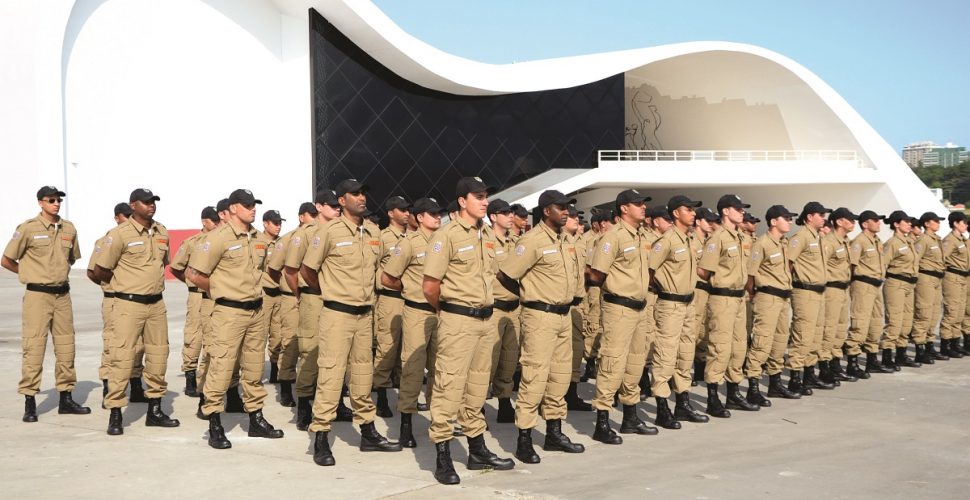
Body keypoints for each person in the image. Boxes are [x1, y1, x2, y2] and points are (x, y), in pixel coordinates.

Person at [302, 178, 402, 466]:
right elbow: (309, 270)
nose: (361, 198)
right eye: (355, 194)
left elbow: (381, 269)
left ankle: (368, 432)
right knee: (331, 376)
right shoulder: (329, 232)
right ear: (341, 200)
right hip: (336, 314)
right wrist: (330, 292)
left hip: (365, 315)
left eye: (363, 194)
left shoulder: (372, 231)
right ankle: (320, 438)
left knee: (362, 376)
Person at [424, 177, 514, 485]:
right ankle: (443, 456)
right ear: (462, 201)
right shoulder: (445, 235)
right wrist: (447, 310)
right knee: (448, 388)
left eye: (486, 195)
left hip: (485, 321)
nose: (485, 201)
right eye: (478, 196)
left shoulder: (486, 234)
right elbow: (430, 285)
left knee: (477, 388)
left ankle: (477, 451)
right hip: (457, 321)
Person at [188, 189, 284, 449]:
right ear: (232, 209)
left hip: (255, 311)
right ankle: (214, 423)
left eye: (254, 204)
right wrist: (221, 290)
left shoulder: (256, 238)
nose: (252, 209)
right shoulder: (219, 237)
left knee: (253, 369)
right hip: (229, 312)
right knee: (221, 367)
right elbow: (194, 273)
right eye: (247, 205)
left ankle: (256, 418)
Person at [497, 190, 586, 464]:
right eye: (561, 207)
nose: (567, 212)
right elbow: (507, 275)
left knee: (559, 377)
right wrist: (530, 292)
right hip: (540, 316)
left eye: (567, 207)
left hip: (563, 316)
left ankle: (553, 433)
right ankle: (524, 438)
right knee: (534, 377)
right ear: (547, 210)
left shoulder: (566, 240)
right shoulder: (532, 240)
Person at [94, 188, 178, 435]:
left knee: (158, 356)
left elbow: (163, 264)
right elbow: (100, 271)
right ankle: (116, 413)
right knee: (121, 358)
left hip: (156, 304)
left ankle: (155, 410)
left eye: (153, 202)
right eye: (146, 202)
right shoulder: (119, 234)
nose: (151, 205)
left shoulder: (161, 231)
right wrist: (125, 285)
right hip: (128, 305)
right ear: (133, 205)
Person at [2, 185, 89, 422]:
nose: (56, 203)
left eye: (59, 199)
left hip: (62, 295)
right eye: (51, 200)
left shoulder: (69, 228)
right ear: (40, 202)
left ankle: (66, 397)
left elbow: (70, 259)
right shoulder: (28, 229)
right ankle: (30, 400)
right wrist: (29, 274)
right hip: (37, 297)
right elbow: (7, 259)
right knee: (34, 347)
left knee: (66, 346)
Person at [587, 189, 658, 442]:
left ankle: (630, 416)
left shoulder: (641, 237)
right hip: (618, 308)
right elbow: (597, 275)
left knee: (635, 363)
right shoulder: (612, 237)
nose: (643, 207)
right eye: (638, 204)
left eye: (643, 203)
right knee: (612, 362)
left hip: (639, 307)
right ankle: (602, 421)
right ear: (624, 209)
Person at [381, 197, 446, 447]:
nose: (437, 217)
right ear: (419, 217)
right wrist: (410, 287)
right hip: (417, 312)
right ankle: (406, 425)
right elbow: (388, 278)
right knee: (413, 369)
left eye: (438, 213)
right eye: (432, 214)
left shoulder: (444, 240)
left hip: (441, 313)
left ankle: (439, 423)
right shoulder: (407, 244)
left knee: (440, 369)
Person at [284, 189, 349, 430]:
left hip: (337, 301)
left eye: (338, 206)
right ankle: (303, 405)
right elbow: (291, 270)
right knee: (310, 352)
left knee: (339, 352)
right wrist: (302, 293)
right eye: (331, 206)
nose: (337, 209)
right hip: (314, 298)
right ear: (318, 207)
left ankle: (338, 402)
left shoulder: (343, 231)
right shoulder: (306, 234)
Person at [649, 195, 710, 426]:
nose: (693, 213)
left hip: (688, 303)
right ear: (676, 213)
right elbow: (649, 270)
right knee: (666, 355)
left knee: (686, 355)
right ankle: (662, 407)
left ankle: (682, 404)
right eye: (688, 209)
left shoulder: (689, 239)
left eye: (694, 209)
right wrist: (664, 290)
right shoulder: (666, 241)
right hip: (670, 304)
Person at [697, 194, 758, 416]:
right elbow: (703, 270)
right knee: (720, 347)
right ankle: (713, 397)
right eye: (738, 208)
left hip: (739, 298)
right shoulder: (717, 238)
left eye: (742, 209)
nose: (742, 212)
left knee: (739, 346)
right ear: (725, 211)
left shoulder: (740, 237)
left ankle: (733, 393)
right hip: (722, 298)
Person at [88, 202, 148, 408]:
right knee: (113, 344)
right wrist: (113, 284)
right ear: (116, 218)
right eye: (125, 216)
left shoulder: (142, 237)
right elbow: (93, 272)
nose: (129, 220)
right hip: (114, 299)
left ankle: (136, 385)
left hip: (135, 299)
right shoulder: (106, 240)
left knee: (138, 345)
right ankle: (109, 388)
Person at [744, 205, 800, 402]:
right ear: (774, 221)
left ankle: (775, 384)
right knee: (762, 341)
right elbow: (750, 274)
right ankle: (753, 385)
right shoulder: (762, 244)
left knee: (780, 341)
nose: (790, 221)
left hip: (783, 297)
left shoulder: (784, 243)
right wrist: (753, 295)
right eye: (786, 218)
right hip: (767, 297)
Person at [266, 202, 317, 407]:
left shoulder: (321, 236)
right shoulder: (288, 240)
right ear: (301, 217)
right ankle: (285, 386)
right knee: (291, 342)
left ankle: (311, 384)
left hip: (315, 298)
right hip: (292, 297)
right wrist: (293, 289)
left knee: (314, 343)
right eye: (310, 214)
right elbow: (274, 269)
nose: (314, 218)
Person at [170, 206, 220, 397]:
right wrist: (190, 282)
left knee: (212, 336)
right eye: (213, 221)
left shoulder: (218, 241)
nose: (216, 224)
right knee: (194, 335)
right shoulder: (192, 243)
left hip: (214, 295)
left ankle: (206, 376)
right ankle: (190, 377)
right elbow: (176, 267)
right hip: (197, 295)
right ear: (204, 221)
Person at [786, 202, 834, 396]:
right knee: (803, 335)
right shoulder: (801, 237)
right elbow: (788, 263)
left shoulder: (818, 237)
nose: (823, 218)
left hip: (819, 291)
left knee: (815, 335)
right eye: (820, 214)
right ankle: (795, 378)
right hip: (804, 291)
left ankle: (809, 373)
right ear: (809, 217)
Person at [373, 195, 411, 418]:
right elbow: (374, 268)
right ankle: (381, 397)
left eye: (408, 210)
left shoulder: (412, 238)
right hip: (390, 298)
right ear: (391, 213)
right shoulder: (383, 238)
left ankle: (405, 397)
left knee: (406, 350)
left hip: (409, 299)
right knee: (387, 347)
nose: (407, 213)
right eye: (402, 209)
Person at [485, 198, 522, 422]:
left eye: (511, 212)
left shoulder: (515, 243)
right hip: (494, 308)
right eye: (505, 212)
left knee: (510, 359)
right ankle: (476, 407)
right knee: (487, 361)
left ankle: (504, 402)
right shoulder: (485, 241)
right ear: (493, 216)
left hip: (514, 308)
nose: (511, 216)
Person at [845, 210, 891, 376]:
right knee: (860, 323)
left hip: (876, 285)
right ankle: (853, 362)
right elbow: (851, 265)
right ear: (865, 224)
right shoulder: (859, 242)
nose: (879, 223)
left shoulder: (877, 241)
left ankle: (872, 360)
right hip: (863, 285)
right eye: (875, 220)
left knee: (875, 323)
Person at [819, 208, 858, 385]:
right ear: (840, 222)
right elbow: (821, 265)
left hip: (843, 288)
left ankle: (835, 364)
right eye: (850, 220)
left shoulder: (846, 241)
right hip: (831, 289)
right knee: (829, 328)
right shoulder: (828, 241)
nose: (853, 223)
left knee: (841, 328)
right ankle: (824, 366)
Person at [880, 210, 920, 370]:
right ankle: (887, 356)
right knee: (895, 321)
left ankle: (901, 353)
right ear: (896, 224)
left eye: (910, 222)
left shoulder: (909, 242)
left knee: (906, 321)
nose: (910, 224)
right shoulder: (892, 243)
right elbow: (883, 264)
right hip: (896, 283)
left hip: (909, 284)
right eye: (906, 221)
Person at [564, 204, 593, 412]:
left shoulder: (581, 243)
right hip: (558, 307)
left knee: (575, 352)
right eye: (572, 216)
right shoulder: (557, 242)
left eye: (578, 216)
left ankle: (571, 394)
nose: (577, 220)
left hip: (577, 305)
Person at [912, 212, 946, 364]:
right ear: (926, 223)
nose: (938, 223)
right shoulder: (923, 240)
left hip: (937, 278)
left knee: (933, 313)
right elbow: (914, 260)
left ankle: (929, 345)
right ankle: (920, 349)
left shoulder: (937, 240)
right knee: (924, 312)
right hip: (925, 277)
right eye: (935, 221)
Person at [690, 207, 719, 387]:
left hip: (708, 290)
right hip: (696, 290)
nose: (711, 225)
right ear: (699, 222)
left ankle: (700, 369)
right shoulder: (692, 241)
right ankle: (681, 372)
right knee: (692, 330)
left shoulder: (710, 241)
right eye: (708, 221)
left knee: (704, 331)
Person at [259, 210, 285, 385]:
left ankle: (276, 370)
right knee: (258, 336)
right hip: (264, 294)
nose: (278, 226)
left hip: (280, 294)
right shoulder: (257, 242)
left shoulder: (283, 243)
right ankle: (254, 374)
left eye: (280, 223)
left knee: (278, 335)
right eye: (275, 223)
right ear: (265, 224)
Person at [939, 212, 970, 358]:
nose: (966, 225)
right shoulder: (950, 240)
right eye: (963, 223)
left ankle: (955, 343)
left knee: (959, 312)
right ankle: (946, 345)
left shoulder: (962, 239)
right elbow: (941, 258)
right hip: (952, 277)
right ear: (956, 224)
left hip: (962, 278)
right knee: (951, 311)